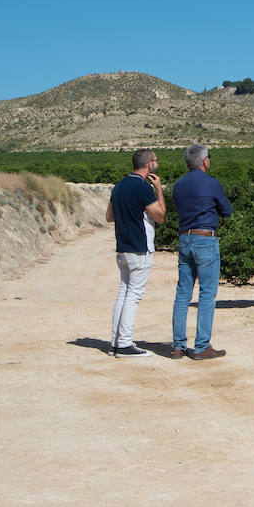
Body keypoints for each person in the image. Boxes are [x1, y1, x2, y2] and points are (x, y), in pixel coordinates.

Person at [171, 144, 233, 360]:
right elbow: (227, 211)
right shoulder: (212, 184)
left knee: (182, 293)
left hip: (184, 238)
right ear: (205, 160)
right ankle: (201, 346)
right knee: (207, 293)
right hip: (205, 239)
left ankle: (178, 346)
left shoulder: (178, 185)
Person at [107, 148, 166, 357]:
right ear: (149, 163)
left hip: (122, 247)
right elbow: (160, 216)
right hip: (139, 247)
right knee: (134, 295)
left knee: (124, 292)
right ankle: (124, 343)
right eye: (156, 160)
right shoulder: (142, 187)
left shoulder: (119, 186)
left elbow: (109, 216)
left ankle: (116, 341)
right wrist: (158, 189)